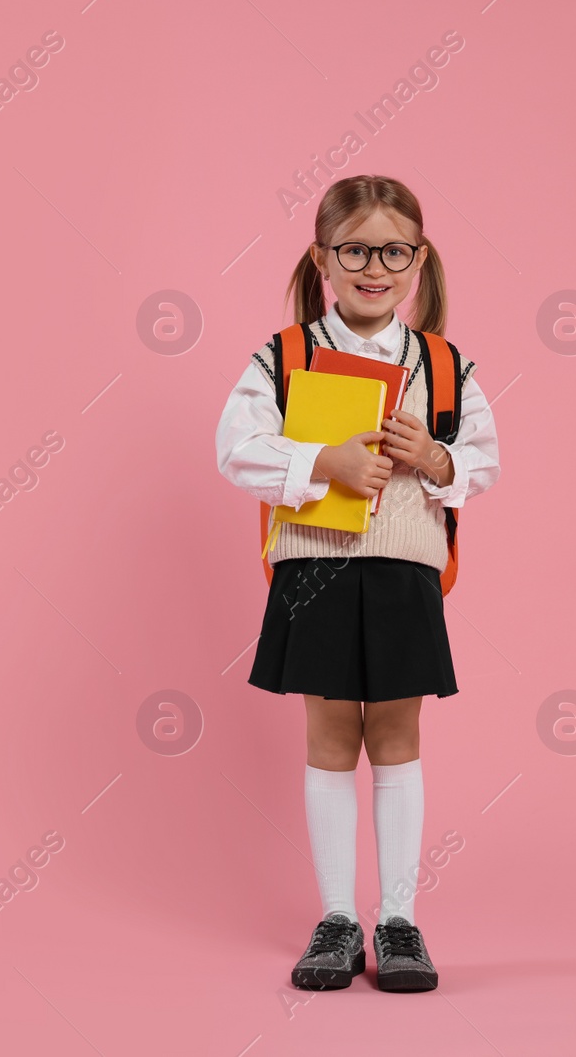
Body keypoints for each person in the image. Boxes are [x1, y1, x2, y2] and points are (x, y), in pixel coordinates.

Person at [214, 174, 501, 992]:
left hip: (406, 571)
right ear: (323, 258)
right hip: (315, 568)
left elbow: (484, 460)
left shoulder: (444, 367)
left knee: (398, 737)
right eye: (355, 250)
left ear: (419, 258)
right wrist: (319, 462)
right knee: (334, 738)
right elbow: (236, 447)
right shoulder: (285, 355)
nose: (375, 267)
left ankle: (398, 920)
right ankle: (338, 916)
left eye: (394, 251)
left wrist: (436, 458)